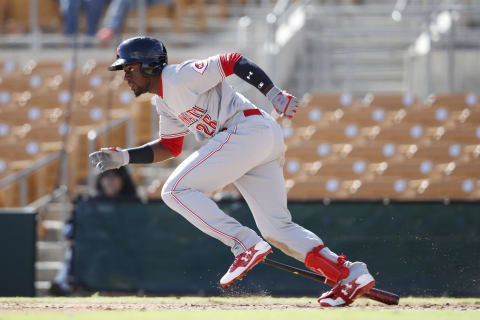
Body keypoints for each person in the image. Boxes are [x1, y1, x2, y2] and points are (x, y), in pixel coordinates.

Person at [89, 36, 375, 307]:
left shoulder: (179, 76)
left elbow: (233, 60)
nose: (125, 76)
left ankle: (244, 244)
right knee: (277, 228)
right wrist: (126, 157)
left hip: (246, 130)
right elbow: (170, 146)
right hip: (256, 138)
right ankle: (348, 274)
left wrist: (272, 92)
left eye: (129, 68)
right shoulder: (162, 101)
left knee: (174, 191)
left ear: (150, 65)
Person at [50, 167, 138, 296]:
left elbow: (136, 234)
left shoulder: (134, 205)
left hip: (122, 251)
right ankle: (63, 284)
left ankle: (73, 285)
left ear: (123, 180)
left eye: (114, 176)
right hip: (92, 248)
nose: (110, 181)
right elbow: (69, 229)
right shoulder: (90, 204)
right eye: (106, 177)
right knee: (74, 251)